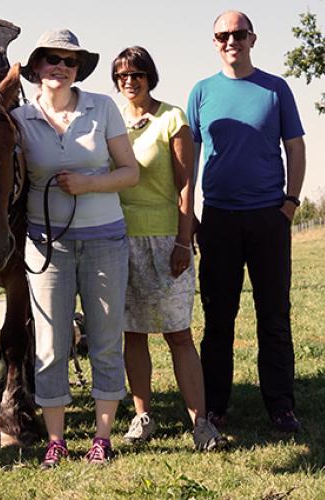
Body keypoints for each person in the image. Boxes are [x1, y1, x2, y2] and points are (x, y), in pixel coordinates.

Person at [13, 29, 139, 467]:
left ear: (77, 69)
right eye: (51, 59)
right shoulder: (18, 118)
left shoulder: (102, 107)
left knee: (105, 340)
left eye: (69, 61)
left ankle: (102, 438)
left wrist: (89, 184)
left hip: (105, 238)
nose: (60, 67)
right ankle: (56, 440)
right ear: (36, 68)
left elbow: (130, 173)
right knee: (50, 343)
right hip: (46, 245)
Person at [187, 11, 306, 433]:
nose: (231, 40)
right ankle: (216, 406)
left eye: (238, 34)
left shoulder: (276, 89)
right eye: (223, 35)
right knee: (218, 318)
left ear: (252, 38)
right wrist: (191, 214)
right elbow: (190, 160)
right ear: (214, 41)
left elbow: (294, 147)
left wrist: (290, 203)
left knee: (274, 315)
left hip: (268, 217)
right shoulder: (201, 92)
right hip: (218, 218)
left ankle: (281, 405)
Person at [111, 46, 225, 451]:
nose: (129, 81)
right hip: (120, 239)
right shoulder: (112, 120)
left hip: (165, 238)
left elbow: (184, 186)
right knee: (133, 333)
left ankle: (200, 422)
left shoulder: (172, 118)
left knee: (178, 333)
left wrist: (182, 239)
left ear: (150, 76)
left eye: (137, 73)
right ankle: (143, 417)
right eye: (122, 75)